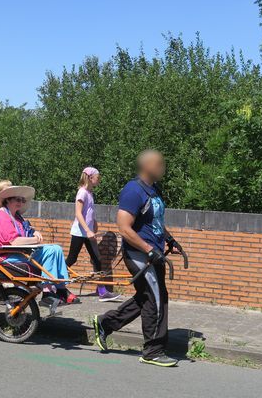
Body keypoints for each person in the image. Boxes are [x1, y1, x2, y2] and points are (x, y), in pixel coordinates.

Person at [92, 150, 178, 367]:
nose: (162, 168)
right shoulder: (133, 190)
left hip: (153, 253)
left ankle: (105, 323)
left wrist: (170, 239)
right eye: (159, 164)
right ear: (146, 166)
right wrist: (149, 249)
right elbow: (124, 227)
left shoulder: (153, 189)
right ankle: (153, 350)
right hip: (140, 255)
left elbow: (154, 220)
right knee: (157, 298)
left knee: (146, 297)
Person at [0, 184, 79, 308]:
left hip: (19, 253)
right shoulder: (1, 216)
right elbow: (14, 241)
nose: (21, 202)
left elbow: (26, 231)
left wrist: (34, 232)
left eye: (22, 200)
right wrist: (35, 240)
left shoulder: (16, 216)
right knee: (50, 251)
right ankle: (47, 292)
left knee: (56, 249)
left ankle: (60, 288)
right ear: (8, 200)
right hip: (6, 256)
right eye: (17, 199)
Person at [65, 167, 121, 302]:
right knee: (71, 259)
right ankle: (54, 283)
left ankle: (102, 292)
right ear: (90, 177)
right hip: (80, 232)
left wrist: (93, 223)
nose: (99, 180)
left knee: (97, 260)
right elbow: (78, 213)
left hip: (87, 233)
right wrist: (88, 230)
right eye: (98, 177)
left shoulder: (89, 193)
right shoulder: (82, 193)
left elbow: (87, 212)